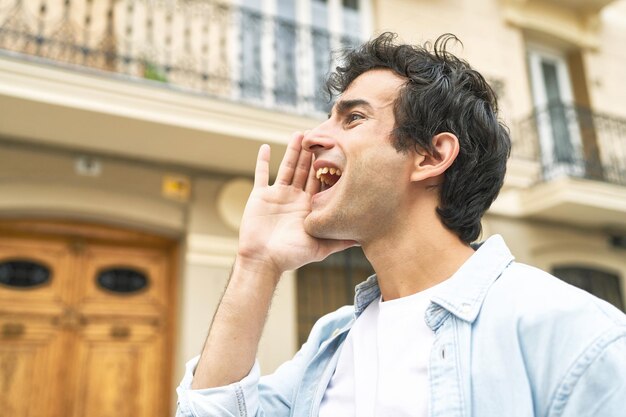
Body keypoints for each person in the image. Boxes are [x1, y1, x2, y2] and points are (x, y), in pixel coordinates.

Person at [176, 33, 626, 417]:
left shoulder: (573, 333)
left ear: (431, 156)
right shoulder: (329, 344)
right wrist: (257, 263)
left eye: (353, 117)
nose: (312, 137)